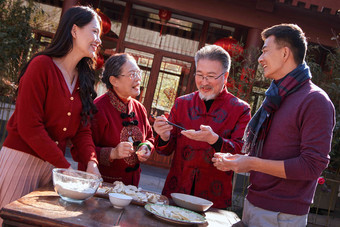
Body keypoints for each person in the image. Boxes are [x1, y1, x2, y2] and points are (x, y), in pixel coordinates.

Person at [212, 24, 335, 226]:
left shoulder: (315, 100)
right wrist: (242, 159)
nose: (260, 59)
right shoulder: (276, 96)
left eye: (265, 51)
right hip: (254, 204)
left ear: (285, 53)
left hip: (281, 215)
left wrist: (251, 163)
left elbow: (312, 166)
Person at [0, 6, 102, 223]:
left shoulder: (83, 78)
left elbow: (82, 130)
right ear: (74, 30)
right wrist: (65, 167)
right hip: (20, 164)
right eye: (94, 32)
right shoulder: (41, 66)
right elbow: (29, 127)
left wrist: (92, 163)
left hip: (52, 172)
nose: (98, 40)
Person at [153, 45, 251, 209]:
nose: (204, 82)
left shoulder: (240, 109)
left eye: (211, 76)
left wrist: (215, 140)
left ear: (225, 76)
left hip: (213, 195)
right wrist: (164, 136)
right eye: (200, 75)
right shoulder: (182, 103)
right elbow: (165, 150)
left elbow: (242, 151)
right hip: (176, 188)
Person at [84, 53, 154, 186]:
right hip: (101, 187)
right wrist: (112, 153)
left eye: (138, 73)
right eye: (132, 74)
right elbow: (83, 148)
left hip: (130, 188)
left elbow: (150, 138)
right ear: (114, 81)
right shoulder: (98, 108)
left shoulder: (139, 108)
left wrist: (145, 147)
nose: (138, 78)